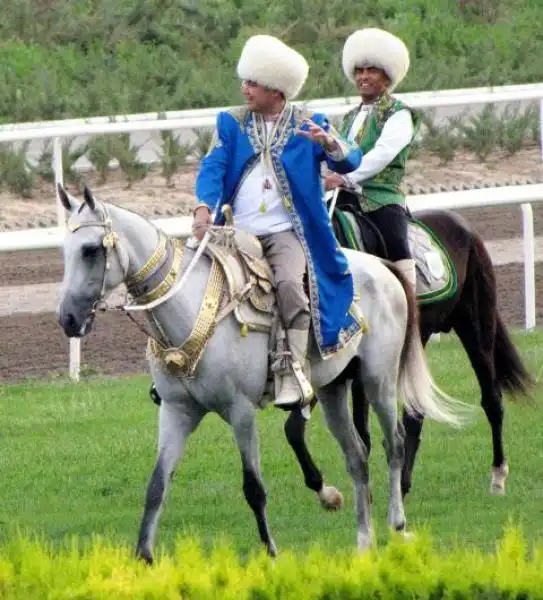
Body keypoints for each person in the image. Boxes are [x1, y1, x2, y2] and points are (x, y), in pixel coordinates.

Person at [192, 34, 364, 410]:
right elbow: (212, 169)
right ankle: (187, 369)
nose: (244, 88)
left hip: (287, 234)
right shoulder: (230, 123)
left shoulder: (310, 123)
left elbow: (350, 160)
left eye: (252, 83)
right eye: (245, 81)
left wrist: (330, 144)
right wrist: (203, 208)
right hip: (235, 232)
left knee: (288, 285)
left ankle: (293, 372)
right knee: (197, 282)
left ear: (276, 90)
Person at [324, 28, 420, 292]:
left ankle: (411, 311)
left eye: (371, 70)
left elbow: (382, 154)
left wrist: (345, 178)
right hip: (343, 196)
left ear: (387, 76)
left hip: (382, 198)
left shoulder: (399, 114)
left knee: (395, 242)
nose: (363, 76)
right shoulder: (348, 117)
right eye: (359, 71)